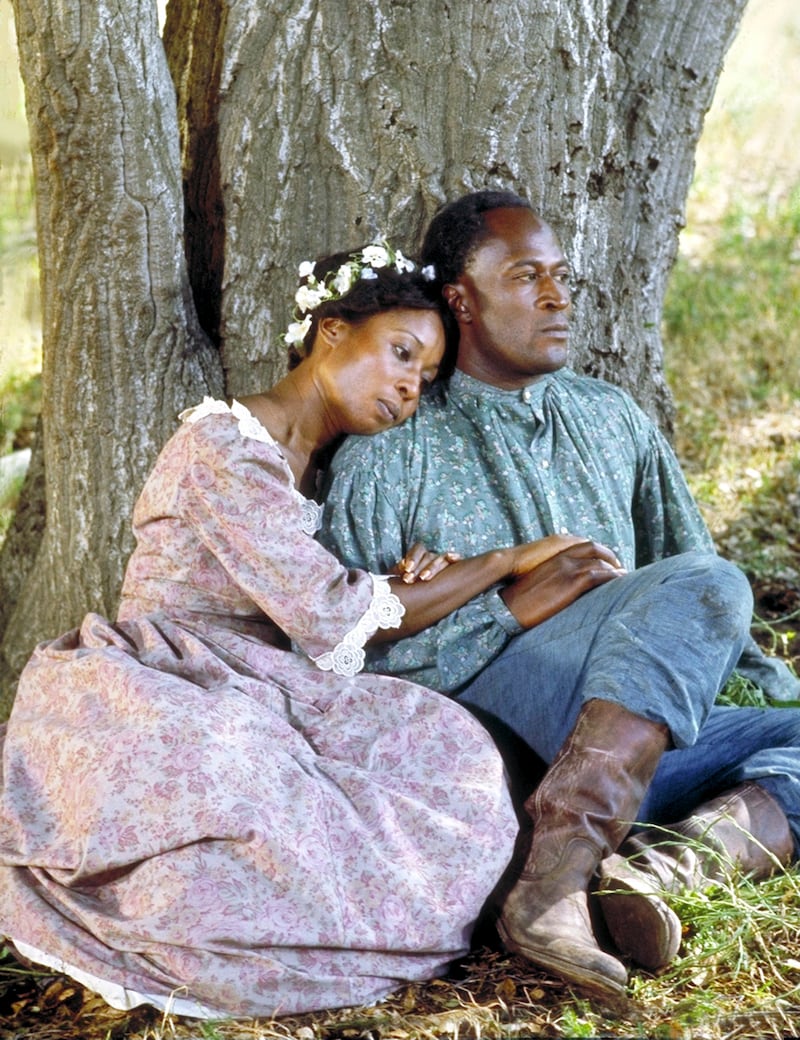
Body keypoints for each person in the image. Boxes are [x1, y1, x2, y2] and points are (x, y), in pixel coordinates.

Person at [0, 240, 596, 1020]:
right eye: (401, 354)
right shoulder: (223, 446)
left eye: (423, 379)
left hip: (271, 684)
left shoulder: (327, 465)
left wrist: (413, 574)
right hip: (171, 678)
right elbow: (331, 612)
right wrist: (505, 561)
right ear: (331, 332)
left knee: (446, 757)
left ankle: (461, 913)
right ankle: (214, 945)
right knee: (240, 800)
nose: (409, 387)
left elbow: (343, 599)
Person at [320, 192, 800, 1001]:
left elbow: (686, 573)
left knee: (706, 598)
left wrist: (770, 688)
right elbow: (346, 656)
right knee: (707, 584)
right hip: (491, 738)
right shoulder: (393, 444)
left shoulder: (612, 418)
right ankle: (553, 886)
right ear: (461, 300)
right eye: (525, 277)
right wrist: (512, 605)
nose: (557, 296)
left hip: (632, 733)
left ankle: (660, 872)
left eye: (561, 276)